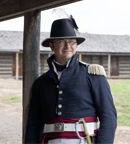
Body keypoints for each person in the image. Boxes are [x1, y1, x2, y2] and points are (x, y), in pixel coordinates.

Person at [25, 15, 117, 144]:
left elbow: (108, 118)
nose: (68, 46)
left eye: (72, 41)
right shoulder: (41, 83)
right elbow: (34, 125)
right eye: (61, 41)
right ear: (51, 46)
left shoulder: (93, 75)